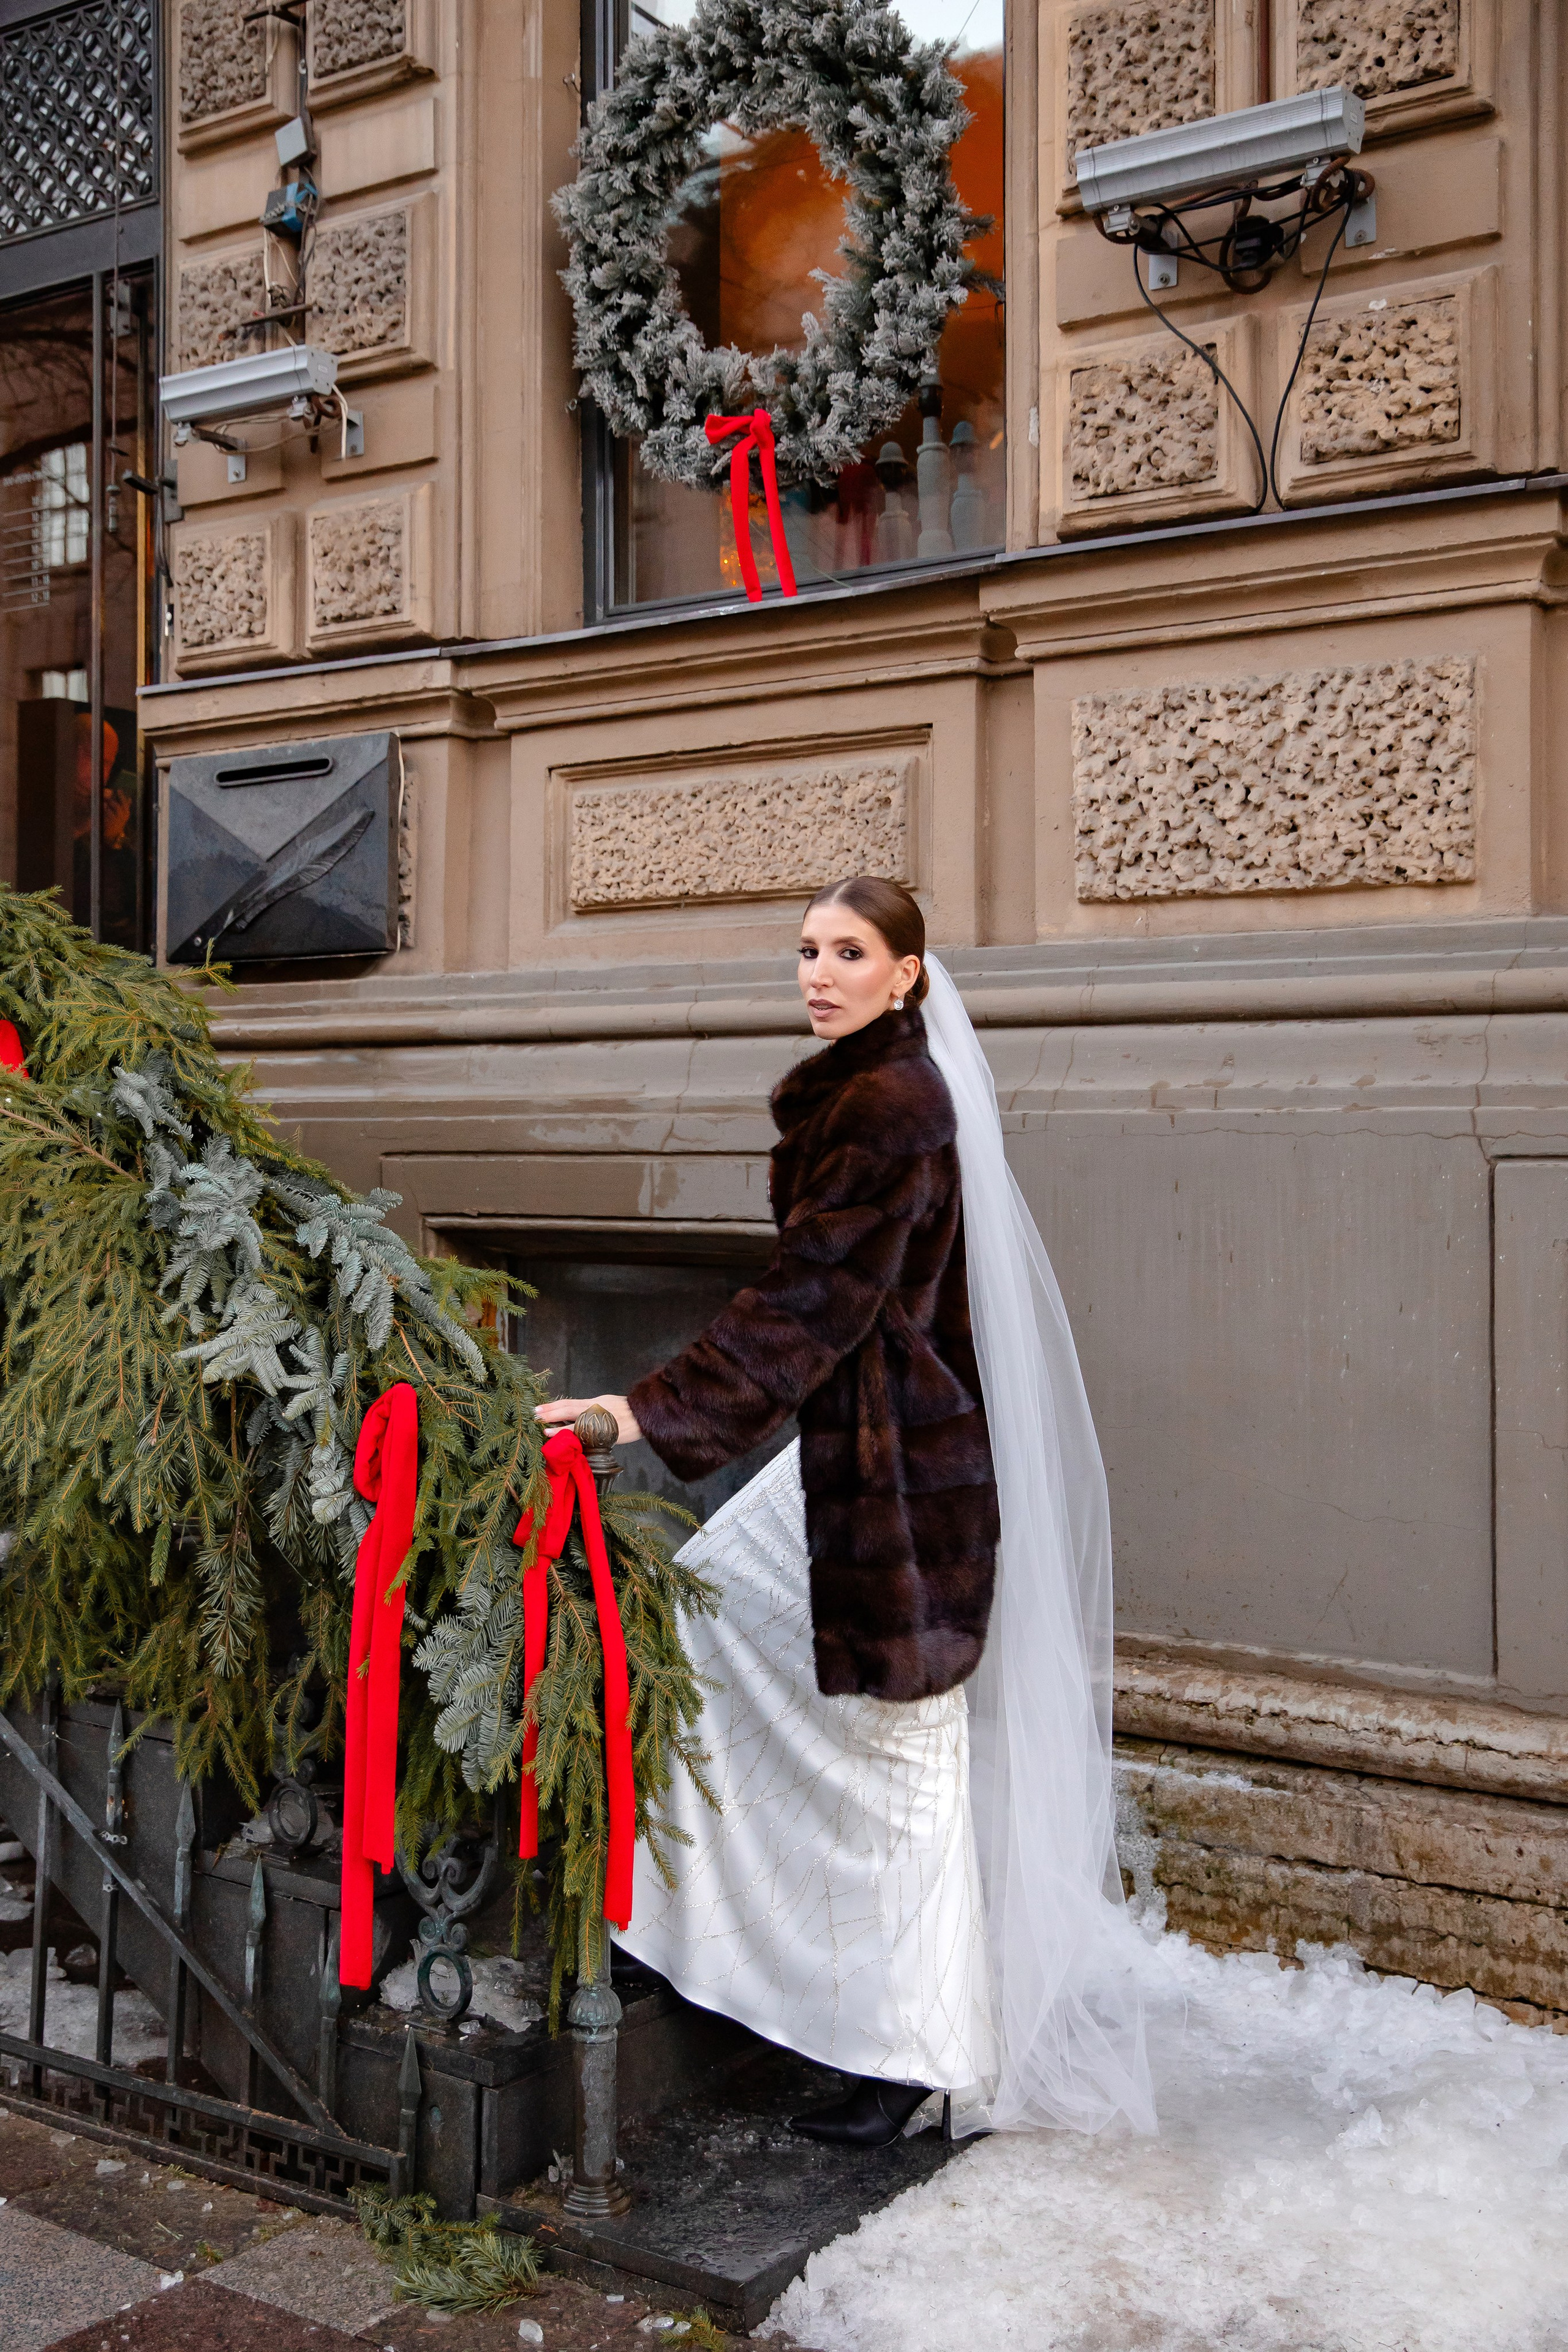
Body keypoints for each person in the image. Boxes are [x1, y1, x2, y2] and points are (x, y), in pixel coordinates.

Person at [538, 877, 1153, 2148]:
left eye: (850, 953)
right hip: (857, 1447)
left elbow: (809, 1303)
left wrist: (635, 1412)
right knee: (708, 1630)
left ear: (908, 973)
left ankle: (910, 2052)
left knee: (897, 1761)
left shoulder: (889, 1104)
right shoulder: (869, 1089)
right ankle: (694, 1933)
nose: (818, 973)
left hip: (900, 1473)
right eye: (806, 951)